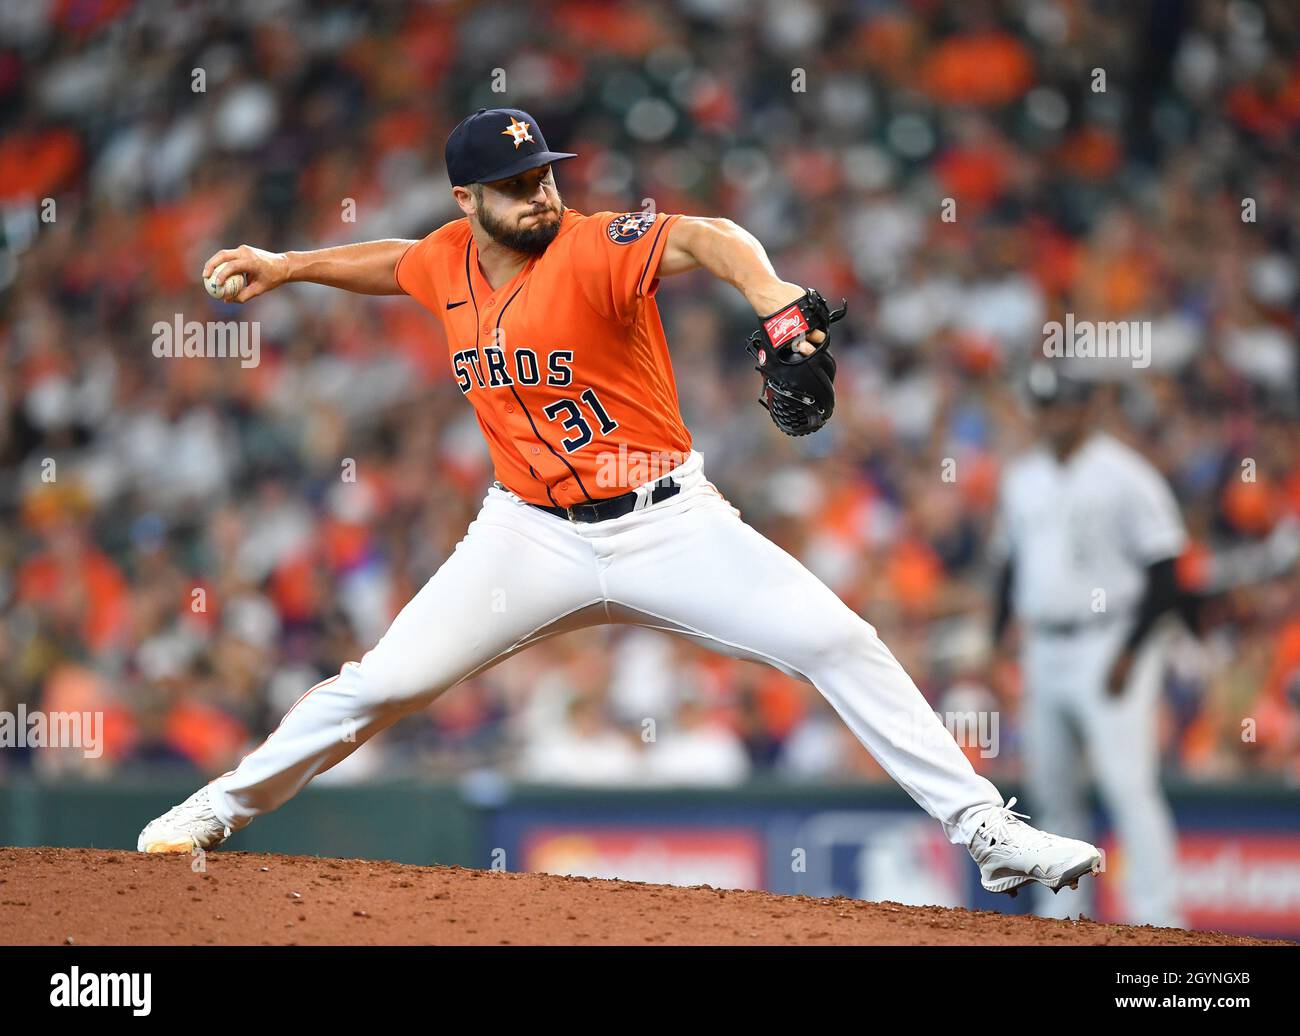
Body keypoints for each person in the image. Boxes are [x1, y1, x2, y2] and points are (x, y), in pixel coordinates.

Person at [139, 108, 1102, 902]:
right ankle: (213, 813)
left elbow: (707, 236)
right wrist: (290, 264)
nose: (542, 194)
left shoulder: (596, 247)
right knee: (380, 686)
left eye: (547, 175)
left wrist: (774, 302)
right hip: (525, 533)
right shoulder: (446, 259)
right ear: (466, 201)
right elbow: (395, 260)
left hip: (667, 521)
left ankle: (986, 830)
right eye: (517, 186)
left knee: (839, 641)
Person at [990, 362, 1187, 926]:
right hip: (1043, 646)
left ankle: (1160, 920)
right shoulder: (1022, 478)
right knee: (1051, 793)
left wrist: (1131, 652)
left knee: (1128, 786)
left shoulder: (1125, 475)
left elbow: (1167, 569)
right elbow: (1009, 564)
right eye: (1045, 407)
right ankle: (1064, 921)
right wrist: (995, 633)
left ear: (1087, 409)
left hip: (1112, 641)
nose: (1053, 417)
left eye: (1064, 406)